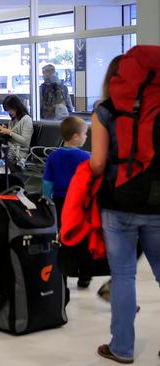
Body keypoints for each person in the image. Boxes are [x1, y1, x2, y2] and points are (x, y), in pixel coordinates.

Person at [90, 52, 160, 364]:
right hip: (158, 202)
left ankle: (122, 348)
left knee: (123, 275)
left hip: (117, 204)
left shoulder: (104, 110)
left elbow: (97, 163)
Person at [42, 116, 92, 291]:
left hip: (60, 203)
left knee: (63, 238)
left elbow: (47, 183)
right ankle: (85, 275)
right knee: (83, 238)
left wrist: (46, 202)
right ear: (76, 136)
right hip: (80, 204)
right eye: (85, 134)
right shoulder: (86, 157)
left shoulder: (53, 157)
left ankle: (62, 272)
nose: (86, 137)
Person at [0, 95, 34, 164]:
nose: (9, 112)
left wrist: (10, 132)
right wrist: (5, 131)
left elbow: (25, 141)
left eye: (9, 110)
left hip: (19, 153)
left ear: (16, 107)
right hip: (9, 150)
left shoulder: (26, 119)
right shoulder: (12, 120)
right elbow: (12, 137)